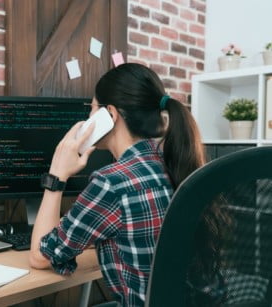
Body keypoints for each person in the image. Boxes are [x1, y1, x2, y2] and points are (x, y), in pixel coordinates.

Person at [29, 63, 206, 306]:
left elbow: (41, 256)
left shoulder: (112, 182)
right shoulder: (174, 163)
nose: (88, 119)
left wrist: (57, 175)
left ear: (109, 115)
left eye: (92, 110)